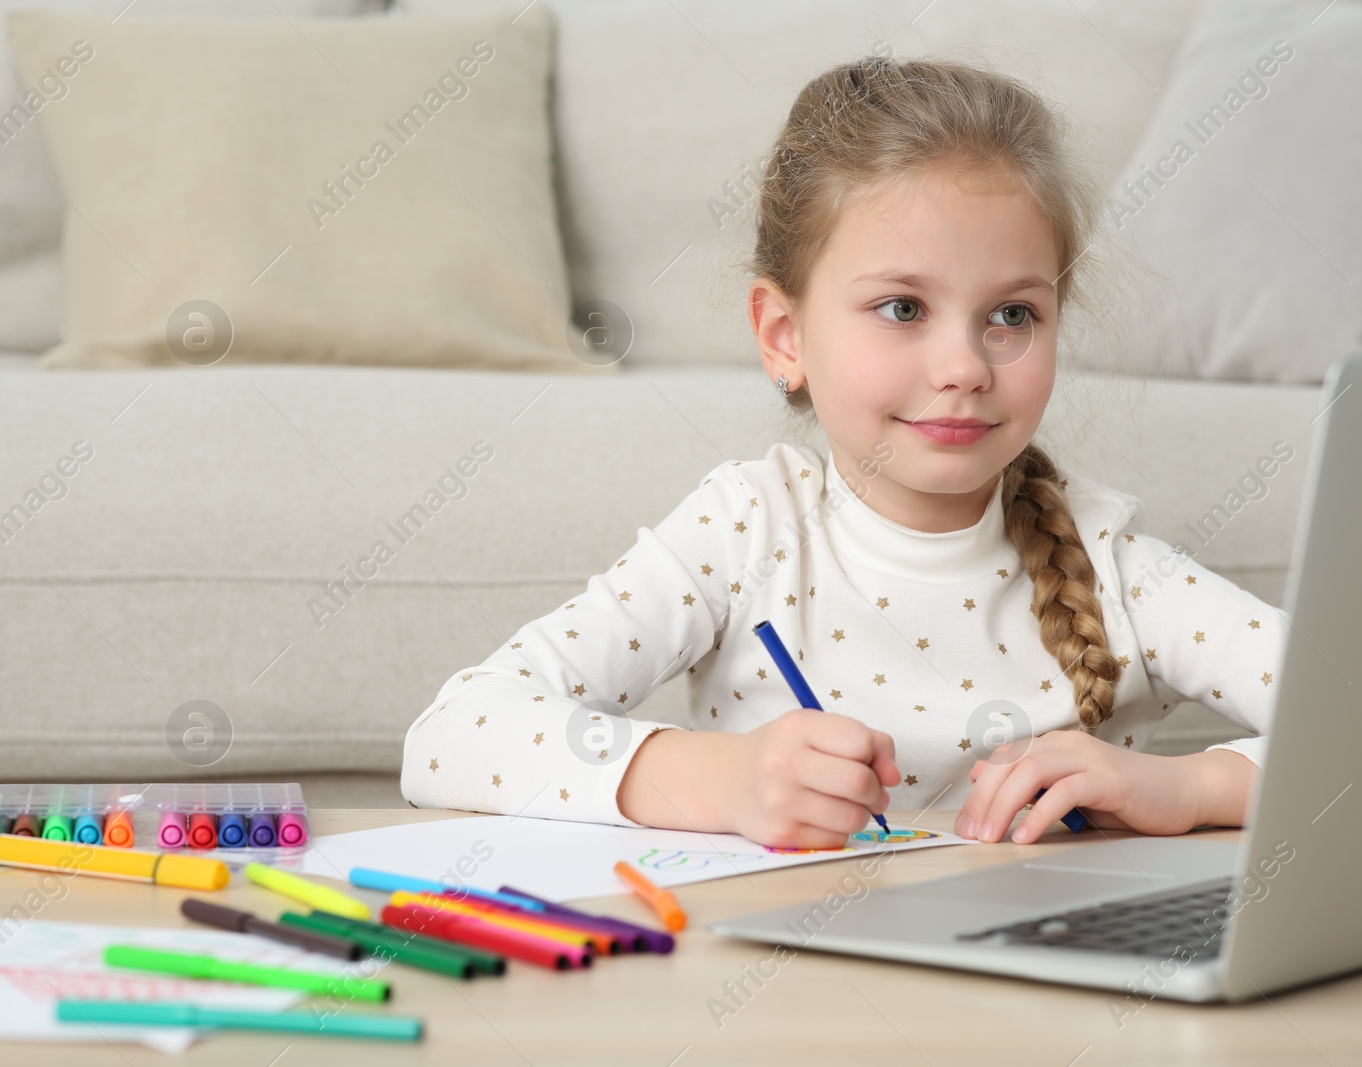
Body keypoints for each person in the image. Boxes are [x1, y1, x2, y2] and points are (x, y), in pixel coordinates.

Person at [400, 56, 1288, 849]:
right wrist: (723, 782)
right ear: (784, 335)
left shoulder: (1112, 564)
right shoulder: (744, 530)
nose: (964, 366)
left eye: (1012, 314)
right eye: (903, 307)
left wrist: (1188, 785)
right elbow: (452, 733)